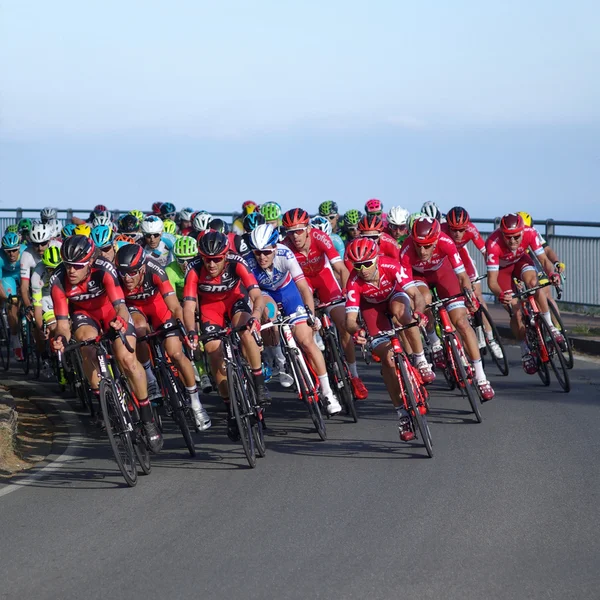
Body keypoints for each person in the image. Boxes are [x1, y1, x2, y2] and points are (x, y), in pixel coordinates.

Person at [50, 235, 163, 452]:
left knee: (127, 360)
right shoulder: (57, 280)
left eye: (77, 266)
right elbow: (63, 324)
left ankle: (148, 419)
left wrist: (120, 321)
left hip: (111, 312)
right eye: (67, 265)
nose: (71, 271)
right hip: (85, 316)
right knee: (85, 343)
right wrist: (60, 339)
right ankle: (105, 402)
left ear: (90, 263)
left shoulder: (104, 269)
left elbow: (120, 305)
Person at [182, 231, 271, 441]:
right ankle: (230, 408)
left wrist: (256, 317)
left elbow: (256, 296)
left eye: (216, 259)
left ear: (225, 255)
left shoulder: (236, 262)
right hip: (210, 309)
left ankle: (258, 385)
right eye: (207, 259)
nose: (211, 265)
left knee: (247, 334)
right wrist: (191, 331)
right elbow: (188, 305)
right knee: (213, 352)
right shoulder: (194, 270)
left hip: (235, 302)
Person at [246, 224, 344, 413]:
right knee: (269, 313)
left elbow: (303, 287)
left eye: (266, 252)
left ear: (275, 247)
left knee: (306, 341)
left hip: (288, 291)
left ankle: (328, 392)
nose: (262, 257)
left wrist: (311, 315)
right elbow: (253, 297)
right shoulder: (248, 263)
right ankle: (280, 360)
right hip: (265, 294)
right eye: (257, 253)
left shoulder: (286, 254)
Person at [344, 238, 434, 440]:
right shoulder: (353, 282)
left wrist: (419, 312)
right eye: (357, 265)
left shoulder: (390, 265)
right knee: (387, 360)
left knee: (403, 314)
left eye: (367, 264)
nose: (363, 269)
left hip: (394, 296)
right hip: (371, 309)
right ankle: (401, 413)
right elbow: (349, 320)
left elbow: (416, 295)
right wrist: (358, 331)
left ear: (376, 259)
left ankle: (420, 360)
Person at [114, 244, 211, 430]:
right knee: (141, 329)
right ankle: (150, 378)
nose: (127, 278)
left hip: (159, 307)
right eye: (123, 273)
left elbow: (175, 306)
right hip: (135, 309)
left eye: (133, 272)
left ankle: (196, 403)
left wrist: (184, 328)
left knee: (175, 353)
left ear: (142, 267)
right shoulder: (118, 279)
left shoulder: (155, 270)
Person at [400, 217, 495, 401]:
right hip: (419, 278)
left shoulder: (446, 242)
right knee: (424, 299)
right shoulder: (406, 250)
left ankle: (481, 377)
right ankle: (434, 339)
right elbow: (408, 289)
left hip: (443, 273)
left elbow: (462, 276)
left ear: (436, 240)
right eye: (418, 245)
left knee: (461, 322)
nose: (422, 250)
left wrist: (468, 295)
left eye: (427, 246)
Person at [282, 208, 368, 398]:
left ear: (307, 229)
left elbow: (341, 269)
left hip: (324, 279)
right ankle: (320, 381)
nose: (295, 236)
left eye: (298, 231)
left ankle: (354, 375)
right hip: (303, 284)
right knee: (308, 335)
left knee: (344, 324)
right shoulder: (285, 246)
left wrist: (347, 294)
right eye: (290, 232)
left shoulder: (321, 238)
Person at [485, 213, 563, 374]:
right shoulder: (493, 243)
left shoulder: (530, 233)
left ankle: (550, 326)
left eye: (516, 237)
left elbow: (543, 260)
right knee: (516, 311)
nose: (512, 241)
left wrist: (552, 274)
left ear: (522, 231)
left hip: (521, 261)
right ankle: (524, 349)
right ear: (501, 234)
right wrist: (501, 294)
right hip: (503, 270)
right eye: (508, 237)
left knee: (535, 284)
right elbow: (492, 281)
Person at [442, 207, 503, 359]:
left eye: (461, 230)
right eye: (453, 230)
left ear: (467, 226)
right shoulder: (441, 231)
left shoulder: (471, 230)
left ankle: (491, 338)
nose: (457, 234)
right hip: (446, 260)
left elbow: (484, 251)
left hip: (462, 257)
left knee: (478, 296)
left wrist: (493, 269)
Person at [164, 235, 213, 394]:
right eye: (180, 260)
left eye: (189, 260)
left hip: (200, 299)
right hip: (179, 303)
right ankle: (202, 371)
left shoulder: (200, 267)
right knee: (191, 335)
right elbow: (171, 300)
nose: (185, 265)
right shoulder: (170, 270)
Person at [0, 232, 24, 360]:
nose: (11, 254)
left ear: (19, 248)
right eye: (8, 251)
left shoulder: (26, 252)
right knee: (12, 302)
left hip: (22, 274)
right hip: (6, 277)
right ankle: (15, 341)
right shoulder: (0, 258)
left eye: (14, 250)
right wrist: (7, 298)